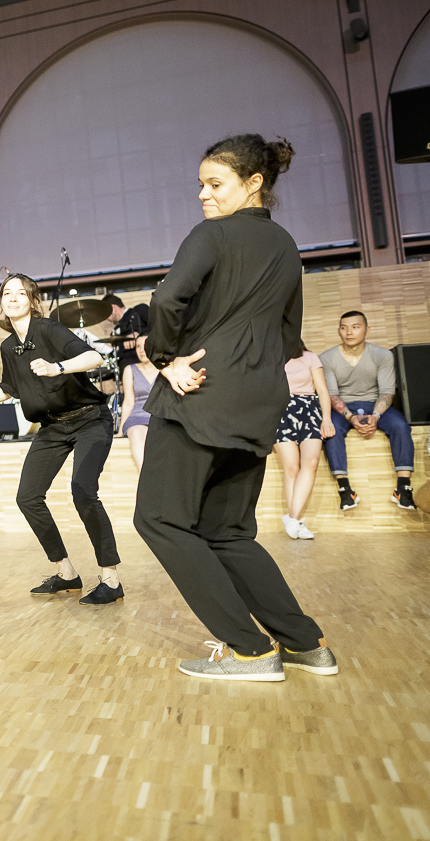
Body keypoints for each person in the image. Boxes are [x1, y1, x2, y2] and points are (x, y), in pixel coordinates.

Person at [133, 133, 334, 682]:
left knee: (158, 518)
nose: (204, 195)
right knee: (227, 532)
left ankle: (248, 648)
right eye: (200, 184)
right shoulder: (287, 247)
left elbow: (166, 299)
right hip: (259, 399)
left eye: (215, 184)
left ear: (254, 184)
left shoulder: (212, 235)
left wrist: (166, 355)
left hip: (199, 392)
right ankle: (304, 642)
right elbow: (291, 336)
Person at [0, 273, 123, 605]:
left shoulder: (49, 329)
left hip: (89, 419)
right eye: (7, 293)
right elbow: (8, 389)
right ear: (2, 303)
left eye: (21, 293)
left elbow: (95, 358)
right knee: (28, 497)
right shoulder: (9, 346)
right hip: (52, 428)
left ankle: (111, 579)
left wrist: (58, 368)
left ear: (33, 301)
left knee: (82, 491)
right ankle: (66, 573)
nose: (13, 297)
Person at [321, 312, 415, 510]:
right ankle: (345, 490)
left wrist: (375, 416)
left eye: (355, 327)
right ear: (338, 330)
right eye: (344, 327)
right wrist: (350, 416)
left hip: (376, 404)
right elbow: (331, 395)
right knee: (331, 431)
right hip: (343, 407)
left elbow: (387, 392)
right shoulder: (327, 358)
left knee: (400, 425)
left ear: (367, 329)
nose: (349, 332)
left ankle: (403, 488)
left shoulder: (382, 355)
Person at [276, 349, 335, 540]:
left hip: (309, 410)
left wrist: (326, 419)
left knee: (311, 463)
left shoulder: (309, 357)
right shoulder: (271, 355)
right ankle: (297, 522)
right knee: (291, 467)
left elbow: (322, 390)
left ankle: (292, 518)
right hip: (280, 411)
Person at [118, 336, 158, 470]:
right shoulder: (130, 369)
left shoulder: (164, 369)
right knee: (136, 433)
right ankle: (147, 482)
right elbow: (128, 401)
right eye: (138, 346)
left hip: (160, 415)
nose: (141, 350)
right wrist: (120, 429)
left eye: (145, 346)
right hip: (138, 416)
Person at [102, 295, 150, 371]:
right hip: (125, 371)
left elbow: (158, 328)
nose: (106, 319)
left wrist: (139, 336)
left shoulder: (139, 311)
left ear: (113, 308)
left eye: (105, 314)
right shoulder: (115, 332)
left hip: (146, 368)